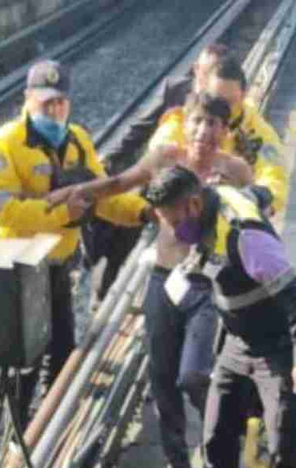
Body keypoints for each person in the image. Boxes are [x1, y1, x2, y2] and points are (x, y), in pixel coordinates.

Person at [44, 92, 253, 468]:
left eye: (213, 125)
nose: (204, 132)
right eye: (197, 122)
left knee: (194, 374)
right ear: (185, 123)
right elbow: (119, 183)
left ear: (224, 132)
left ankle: (225, 434)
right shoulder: (165, 158)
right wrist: (75, 193)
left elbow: (256, 216)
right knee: (161, 375)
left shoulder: (236, 171)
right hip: (164, 277)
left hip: (206, 283)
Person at [142, 165, 296, 468]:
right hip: (236, 342)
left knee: (285, 447)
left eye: (173, 221)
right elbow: (259, 193)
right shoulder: (210, 203)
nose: (172, 231)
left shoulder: (246, 237)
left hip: (277, 346)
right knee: (216, 433)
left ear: (194, 204)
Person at [0, 59, 151, 422]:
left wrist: (144, 211)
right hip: (20, 269)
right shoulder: (5, 144)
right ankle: (18, 433)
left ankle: (48, 426)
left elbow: (104, 196)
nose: (54, 109)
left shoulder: (77, 140)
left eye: (60, 102)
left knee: (61, 351)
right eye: (46, 102)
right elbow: (2, 210)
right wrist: (62, 215)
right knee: (24, 362)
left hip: (58, 267)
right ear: (27, 99)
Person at [80, 44, 230, 311]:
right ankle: (104, 290)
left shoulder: (223, 105)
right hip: (158, 175)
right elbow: (141, 125)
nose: (207, 80)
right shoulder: (175, 89)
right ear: (197, 69)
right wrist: (113, 156)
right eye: (204, 72)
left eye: (214, 74)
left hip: (195, 182)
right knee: (127, 220)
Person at [153, 56, 289, 216]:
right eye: (215, 100)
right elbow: (160, 149)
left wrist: (253, 199)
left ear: (243, 95)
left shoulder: (258, 133)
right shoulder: (186, 122)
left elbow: (274, 177)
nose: (221, 109)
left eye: (229, 102)